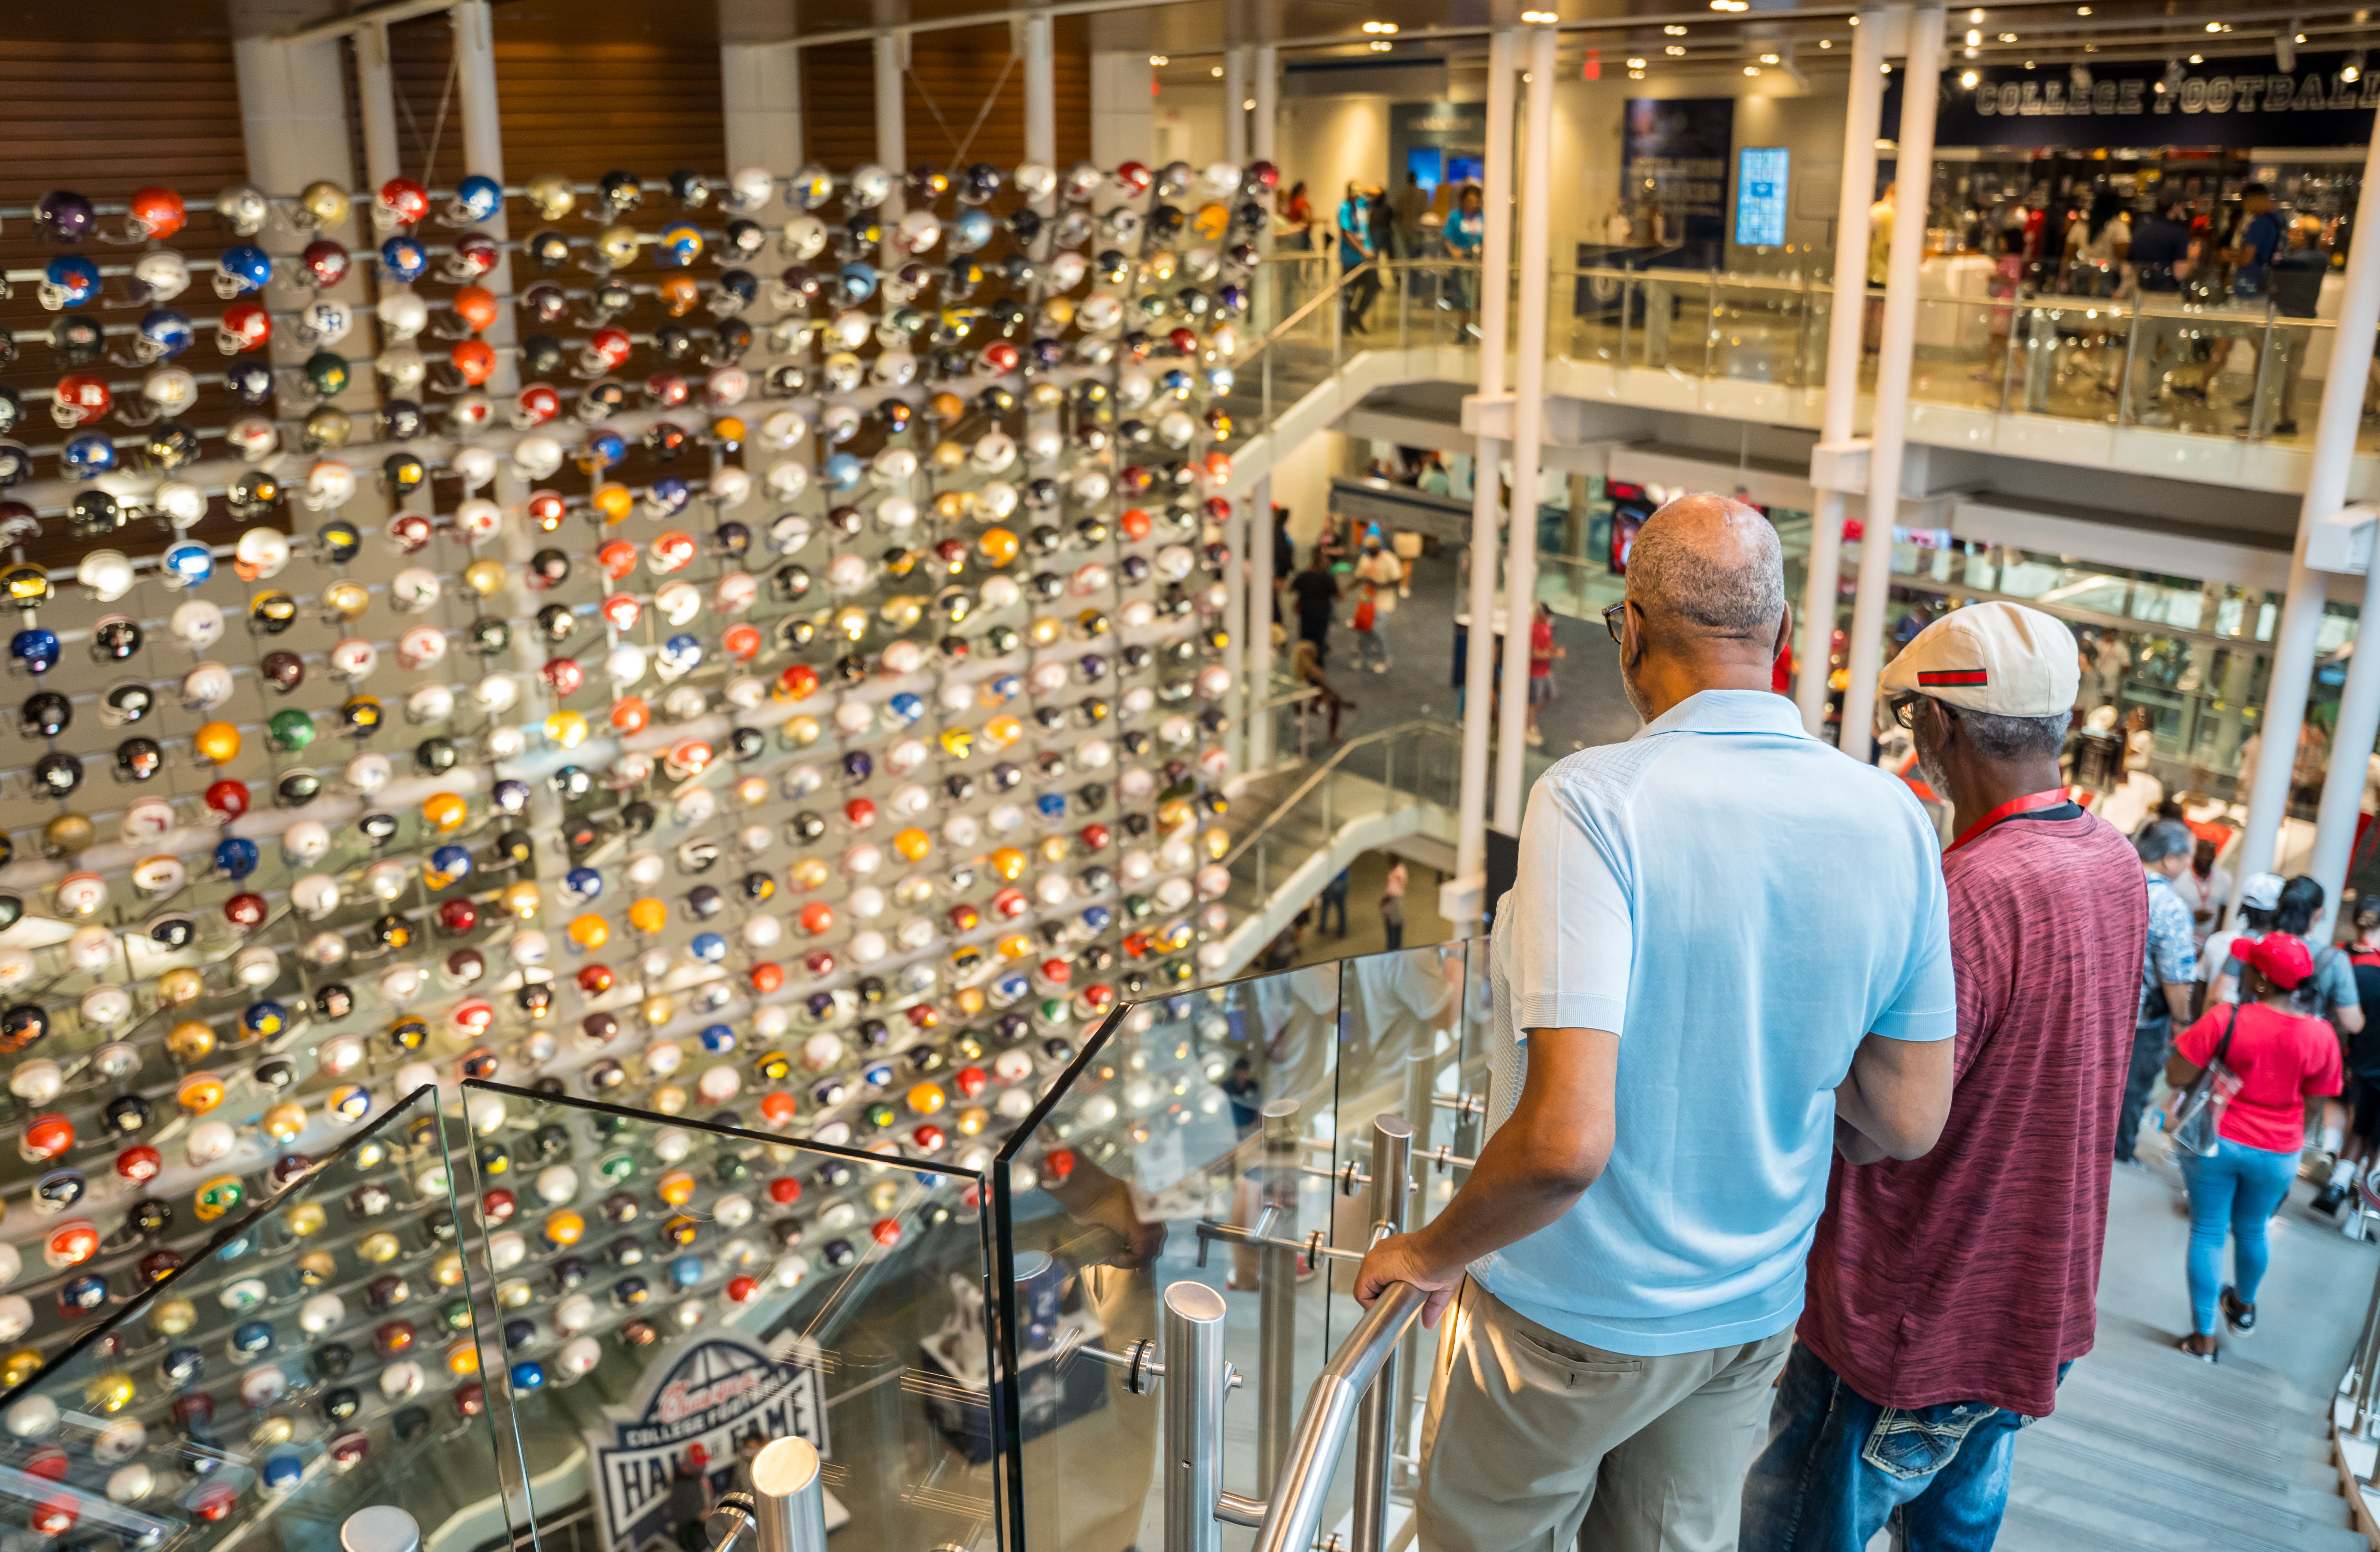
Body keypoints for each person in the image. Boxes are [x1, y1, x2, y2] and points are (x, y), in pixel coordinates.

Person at [1354, 493, 1956, 1552]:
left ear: (1630, 631)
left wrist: (1430, 1251)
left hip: (1569, 1316)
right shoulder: (1895, 818)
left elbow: (1564, 1144)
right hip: (1749, 1314)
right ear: (1782, 633)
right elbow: (1907, 1119)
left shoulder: (1595, 801)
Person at [1744, 601, 2145, 1552]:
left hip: (1909, 1320)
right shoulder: (2115, 864)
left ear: (1938, 723)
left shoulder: (1971, 895)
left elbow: (1877, 1129)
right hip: (2028, 1311)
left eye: (1909, 717)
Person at [2167, 931, 2343, 1361]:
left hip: (2216, 1141)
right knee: (2252, 1228)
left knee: (2207, 1231)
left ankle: (2203, 1340)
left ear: (2261, 980)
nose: (2242, 971)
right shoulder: (2321, 1036)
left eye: (2248, 967)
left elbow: (2175, 1075)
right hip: (2278, 1151)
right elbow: (2315, 1105)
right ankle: (2243, 1307)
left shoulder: (2225, 1018)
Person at [2116, 819, 2200, 1165]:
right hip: (2140, 1020)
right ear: (2170, 860)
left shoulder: (2107, 882)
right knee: (2130, 1090)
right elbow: (2176, 977)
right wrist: (2182, 1019)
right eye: (2187, 858)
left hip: (2086, 1007)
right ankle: (2118, 1154)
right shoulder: (2170, 906)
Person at [2322, 895, 2380, 1220]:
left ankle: (2333, 1164)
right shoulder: (2375, 967)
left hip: (2353, 1056)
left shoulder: (2338, 954)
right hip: (2363, 1055)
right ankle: (2359, 1210)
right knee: (2372, 1139)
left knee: (2356, 1122)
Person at [2127, 197, 2194, 424]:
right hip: (2168, 300)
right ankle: (2145, 394)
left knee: (2141, 354)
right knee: (2181, 348)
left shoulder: (2142, 230)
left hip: (2142, 297)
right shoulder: (2179, 234)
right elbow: (2180, 273)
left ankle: (2141, 407)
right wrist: (2191, 261)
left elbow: (2127, 269)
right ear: (2176, 206)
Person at [1290, 637, 1352, 742]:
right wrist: (1339, 698)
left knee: (1330, 698)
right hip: (1308, 704)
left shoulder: (1293, 667)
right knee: (1334, 703)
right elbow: (1325, 687)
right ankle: (1333, 736)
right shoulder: (1313, 671)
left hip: (1296, 703)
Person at [1290, 546, 1344, 664]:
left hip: (1306, 616)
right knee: (1318, 647)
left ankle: (1305, 669)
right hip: (1321, 617)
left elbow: (1290, 589)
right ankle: (1317, 669)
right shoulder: (1328, 578)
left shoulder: (1304, 576)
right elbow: (1340, 597)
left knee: (1305, 646)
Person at [1338, 181, 1379, 332]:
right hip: (1351, 257)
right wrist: (1363, 251)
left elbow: (1376, 194)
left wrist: (1365, 189)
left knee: (1372, 286)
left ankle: (1355, 317)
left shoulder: (1360, 205)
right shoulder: (1344, 208)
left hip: (1365, 258)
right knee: (1349, 292)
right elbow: (1347, 233)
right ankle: (1345, 324)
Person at [1444, 184, 1485, 335]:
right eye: (1470, 201)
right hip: (1462, 259)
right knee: (1466, 295)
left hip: (1478, 258)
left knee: (1476, 295)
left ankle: (1470, 329)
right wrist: (1454, 251)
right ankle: (1464, 328)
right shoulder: (1456, 216)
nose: (1473, 204)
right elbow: (1447, 236)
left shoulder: (1482, 217)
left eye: (1476, 201)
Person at [1524, 600, 1564, 747]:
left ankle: (1527, 720)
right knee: (1533, 703)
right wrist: (1554, 655)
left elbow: (1548, 643)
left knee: (1549, 697)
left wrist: (1554, 649)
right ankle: (1528, 728)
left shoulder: (1547, 626)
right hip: (1535, 673)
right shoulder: (1533, 630)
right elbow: (1534, 655)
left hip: (1545, 671)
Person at [1391, 169, 1430, 258]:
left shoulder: (1401, 195)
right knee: (1417, 257)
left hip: (1405, 231)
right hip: (1419, 230)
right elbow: (1425, 212)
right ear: (1416, 180)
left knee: (1409, 257)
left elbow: (1397, 214)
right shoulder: (1423, 194)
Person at [1276, 180, 1314, 250]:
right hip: (1302, 233)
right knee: (1304, 253)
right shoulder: (1302, 203)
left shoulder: (1293, 202)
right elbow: (1307, 219)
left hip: (1294, 233)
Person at [1379, 859, 1407, 951]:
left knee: (1392, 931)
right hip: (1396, 905)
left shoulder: (1395, 876)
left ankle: (1392, 950)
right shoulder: (1402, 870)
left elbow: (1392, 891)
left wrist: (1384, 901)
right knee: (1397, 930)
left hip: (1393, 906)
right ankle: (1396, 949)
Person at [1317, 865, 1350, 938]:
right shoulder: (1342, 860)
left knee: (1325, 906)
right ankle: (1342, 930)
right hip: (1343, 883)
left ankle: (1322, 927)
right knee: (1341, 907)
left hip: (1331, 884)